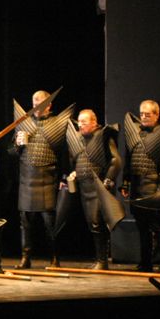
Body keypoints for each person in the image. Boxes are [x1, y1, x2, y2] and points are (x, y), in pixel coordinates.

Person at [8, 90, 74, 269]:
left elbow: (66, 152)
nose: (36, 106)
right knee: (25, 223)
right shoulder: (24, 123)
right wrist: (17, 144)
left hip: (47, 179)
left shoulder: (58, 124)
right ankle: (25, 258)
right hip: (27, 180)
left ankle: (54, 257)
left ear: (49, 104)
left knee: (50, 223)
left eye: (40, 103)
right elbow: (10, 152)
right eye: (34, 103)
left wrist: (64, 175)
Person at [121, 100, 160, 273]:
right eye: (141, 114)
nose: (143, 117)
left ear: (156, 115)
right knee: (141, 226)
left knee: (158, 225)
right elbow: (129, 160)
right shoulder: (135, 135)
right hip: (136, 185)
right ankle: (145, 262)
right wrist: (125, 182)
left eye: (147, 114)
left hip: (153, 184)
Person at [65, 109, 123, 270]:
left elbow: (116, 160)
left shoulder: (102, 136)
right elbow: (77, 161)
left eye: (84, 122)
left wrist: (108, 180)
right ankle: (100, 259)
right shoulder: (78, 139)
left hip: (98, 188)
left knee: (98, 223)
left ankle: (102, 261)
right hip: (85, 188)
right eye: (79, 122)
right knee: (92, 223)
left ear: (94, 122)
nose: (80, 125)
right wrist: (74, 173)